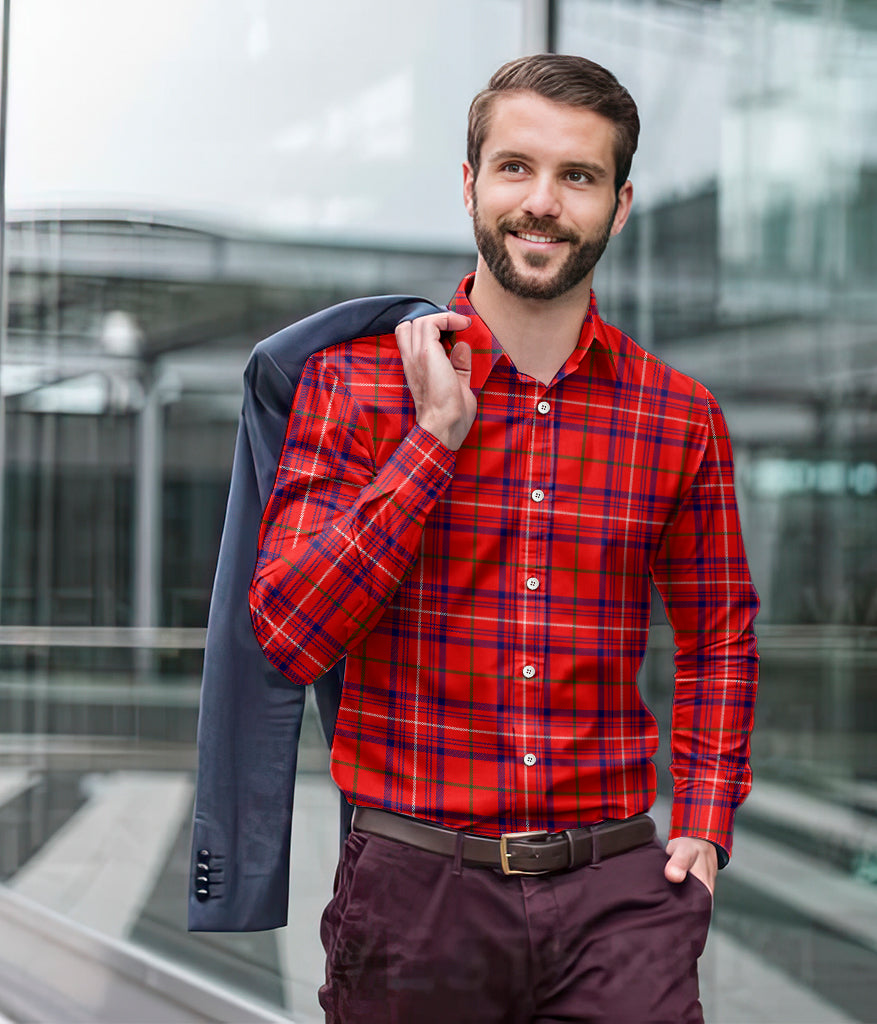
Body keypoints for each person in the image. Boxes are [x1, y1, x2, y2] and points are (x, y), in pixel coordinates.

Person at [248, 53, 759, 1024]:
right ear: (471, 182)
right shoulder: (354, 388)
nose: (543, 202)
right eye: (516, 167)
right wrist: (434, 440)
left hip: (618, 893)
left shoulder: (677, 417)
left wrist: (702, 816)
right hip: (416, 893)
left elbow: (719, 632)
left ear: (620, 203)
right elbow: (288, 631)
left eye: (579, 176)